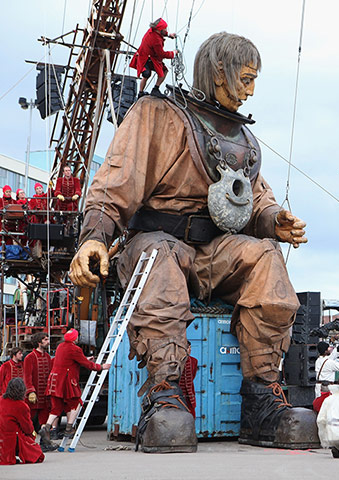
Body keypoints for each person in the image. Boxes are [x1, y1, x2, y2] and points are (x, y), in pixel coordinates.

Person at [69, 32, 311, 452]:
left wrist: (275, 222)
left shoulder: (245, 143)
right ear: (219, 72)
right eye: (246, 78)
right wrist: (94, 238)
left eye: (256, 80)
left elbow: (255, 200)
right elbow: (115, 183)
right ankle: (164, 394)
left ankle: (262, 402)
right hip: (157, 241)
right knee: (160, 261)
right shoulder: (157, 115)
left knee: (267, 259)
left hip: (216, 250)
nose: (252, 90)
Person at [38, 329, 110, 444]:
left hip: (55, 380)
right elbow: (87, 365)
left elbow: (69, 359)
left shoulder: (61, 346)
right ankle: (69, 428)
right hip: (66, 381)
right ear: (75, 338)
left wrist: (84, 358)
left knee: (56, 408)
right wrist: (101, 367)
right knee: (76, 403)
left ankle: (46, 428)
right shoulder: (75, 349)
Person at [0, 378, 44, 465]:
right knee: (38, 455)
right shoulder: (21, 406)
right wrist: (32, 436)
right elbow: (27, 428)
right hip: (10, 436)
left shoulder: (1, 399)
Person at [22, 333, 57, 442]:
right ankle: (25, 441)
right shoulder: (29, 357)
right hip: (34, 395)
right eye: (45, 339)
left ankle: (45, 442)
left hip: (44, 395)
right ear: (39, 342)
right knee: (28, 418)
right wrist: (30, 391)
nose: (48, 341)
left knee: (45, 420)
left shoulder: (47, 356)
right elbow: (27, 376)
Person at [130, 18, 177, 98]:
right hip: (147, 58)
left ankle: (140, 92)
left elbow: (161, 32)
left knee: (146, 75)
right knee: (163, 71)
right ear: (160, 29)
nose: (165, 29)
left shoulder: (152, 30)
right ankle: (155, 89)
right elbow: (161, 54)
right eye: (164, 28)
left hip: (144, 56)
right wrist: (173, 53)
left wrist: (169, 35)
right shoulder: (156, 40)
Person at [178, 347, 198, 418]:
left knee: (191, 414)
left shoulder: (194, 361)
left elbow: (193, 375)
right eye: (187, 348)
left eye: (190, 348)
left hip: (189, 393)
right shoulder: (177, 361)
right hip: (179, 393)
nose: (189, 349)